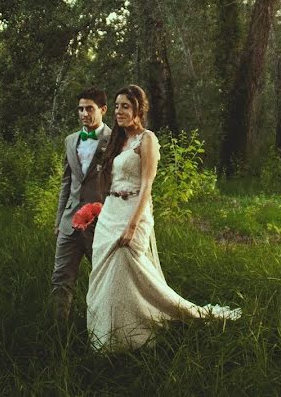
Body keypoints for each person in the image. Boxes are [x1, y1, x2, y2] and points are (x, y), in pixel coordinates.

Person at [86, 84, 241, 351]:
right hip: (111, 213)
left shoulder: (147, 139)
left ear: (138, 109)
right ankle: (108, 339)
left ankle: (145, 331)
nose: (120, 111)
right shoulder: (116, 141)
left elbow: (147, 185)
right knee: (108, 276)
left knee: (128, 266)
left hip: (134, 212)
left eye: (126, 106)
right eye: (117, 106)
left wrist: (132, 226)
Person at [52, 88, 111, 323]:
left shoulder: (116, 139)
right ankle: (57, 333)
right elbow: (66, 183)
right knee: (60, 278)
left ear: (103, 110)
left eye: (89, 108)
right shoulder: (70, 140)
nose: (84, 113)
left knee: (103, 280)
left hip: (101, 224)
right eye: (80, 109)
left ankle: (103, 331)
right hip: (69, 225)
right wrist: (58, 221)